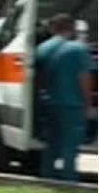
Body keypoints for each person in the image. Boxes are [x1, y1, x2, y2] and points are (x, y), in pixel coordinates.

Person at [35, 13, 94, 182]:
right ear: (72, 28)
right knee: (70, 146)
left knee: (52, 144)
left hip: (50, 103)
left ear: (53, 28)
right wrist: (88, 103)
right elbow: (84, 79)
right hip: (72, 105)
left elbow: (39, 79)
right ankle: (69, 180)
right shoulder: (78, 49)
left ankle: (47, 178)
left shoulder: (42, 49)